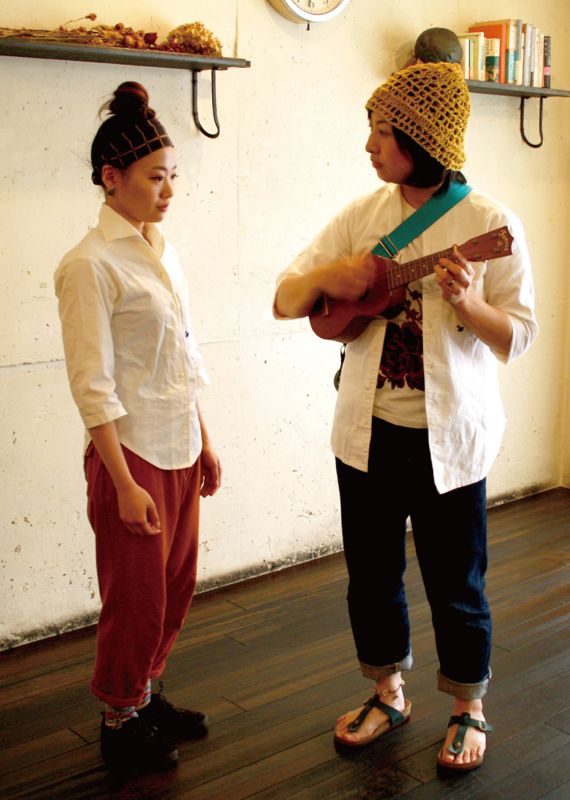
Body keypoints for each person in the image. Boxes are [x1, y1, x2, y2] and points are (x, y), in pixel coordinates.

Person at [273, 61, 537, 772]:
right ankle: (387, 692)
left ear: (422, 138)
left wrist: (469, 303)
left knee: (458, 582)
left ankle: (468, 706)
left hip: (452, 441)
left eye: (383, 131)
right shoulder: (362, 217)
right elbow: (285, 299)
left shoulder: (491, 224)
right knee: (371, 576)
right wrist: (331, 277)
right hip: (366, 433)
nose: (369, 145)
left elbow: (519, 335)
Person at [54, 81, 222, 775]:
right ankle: (119, 719)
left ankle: (145, 695)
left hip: (178, 442)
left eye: (173, 175)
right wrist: (122, 483)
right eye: (156, 177)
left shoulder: (161, 248)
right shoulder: (87, 265)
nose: (169, 190)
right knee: (136, 600)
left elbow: (181, 351)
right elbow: (91, 385)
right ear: (111, 177)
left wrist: (204, 438)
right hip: (131, 454)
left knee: (175, 588)